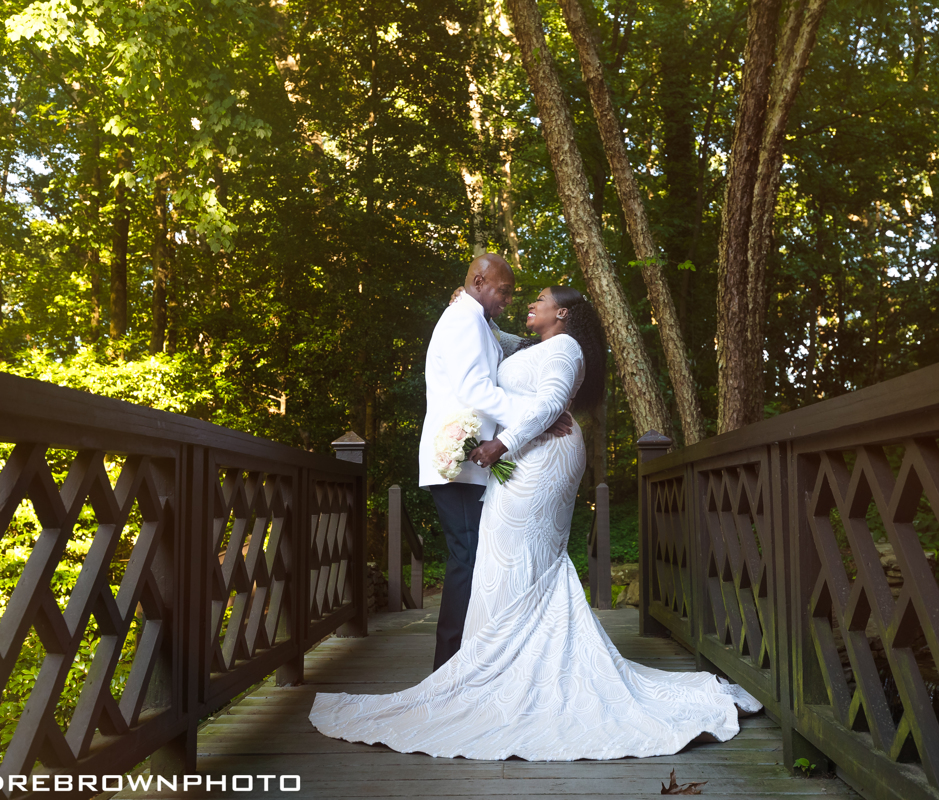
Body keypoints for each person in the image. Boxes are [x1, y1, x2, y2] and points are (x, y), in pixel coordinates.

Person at [311, 285, 761, 760]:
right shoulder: (535, 346)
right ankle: (495, 667)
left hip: (543, 458)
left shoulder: (567, 349)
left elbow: (550, 406)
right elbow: (493, 336)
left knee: (517, 557)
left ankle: (509, 672)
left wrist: (499, 445)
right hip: (527, 457)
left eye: (540, 299)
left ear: (561, 313)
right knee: (504, 558)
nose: (529, 303)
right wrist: (465, 304)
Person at [416, 253, 567, 671]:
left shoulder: (476, 320)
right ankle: (447, 669)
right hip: (458, 461)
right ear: (479, 282)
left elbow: (512, 347)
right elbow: (475, 390)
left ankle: (467, 661)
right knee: (467, 557)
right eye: (504, 291)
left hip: (471, 462)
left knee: (472, 556)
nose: (509, 301)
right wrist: (538, 414)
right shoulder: (463, 320)